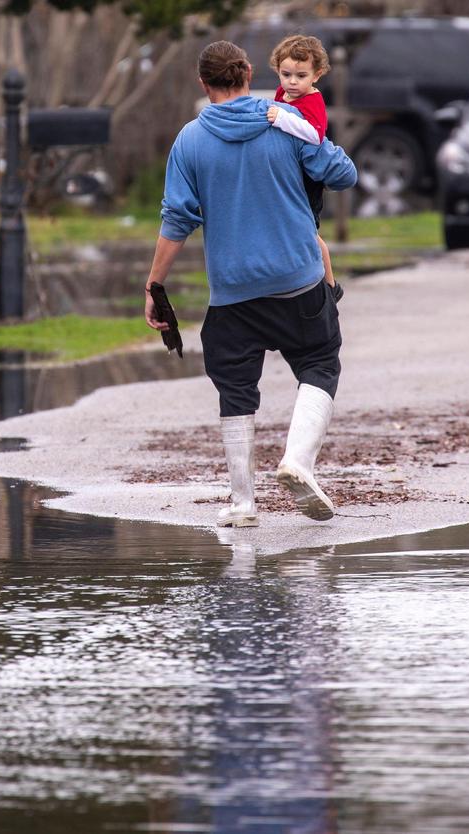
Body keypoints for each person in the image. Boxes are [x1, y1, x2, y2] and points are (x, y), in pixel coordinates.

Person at [143, 40, 357, 528]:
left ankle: (242, 504)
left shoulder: (190, 141)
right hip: (299, 283)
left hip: (234, 295)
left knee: (235, 391)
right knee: (319, 363)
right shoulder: (283, 121)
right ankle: (298, 462)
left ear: (204, 83)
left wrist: (155, 286)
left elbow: (178, 218)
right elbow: (342, 175)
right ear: (248, 74)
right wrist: (317, 142)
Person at [264, 34, 337, 291]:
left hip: (309, 178)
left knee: (309, 233)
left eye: (301, 76)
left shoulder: (313, 100)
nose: (292, 82)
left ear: (316, 75)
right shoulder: (283, 93)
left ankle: (330, 284)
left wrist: (282, 118)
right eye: (286, 74)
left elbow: (315, 134)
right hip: (289, 173)